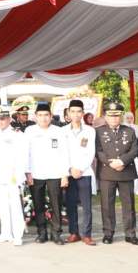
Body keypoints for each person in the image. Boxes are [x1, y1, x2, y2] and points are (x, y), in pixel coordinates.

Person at [95, 102, 138, 245]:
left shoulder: (129, 131)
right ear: (105, 117)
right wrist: (111, 163)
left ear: (121, 116)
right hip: (107, 173)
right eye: (111, 116)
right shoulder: (98, 131)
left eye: (117, 116)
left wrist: (122, 161)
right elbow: (98, 151)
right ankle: (108, 233)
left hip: (125, 172)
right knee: (107, 205)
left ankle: (130, 234)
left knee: (128, 205)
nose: (114, 119)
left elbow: (135, 150)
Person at [25, 102, 69, 245]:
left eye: (46, 115)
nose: (43, 118)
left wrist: (64, 174)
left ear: (51, 116)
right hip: (36, 174)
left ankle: (56, 233)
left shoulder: (58, 131)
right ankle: (41, 233)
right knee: (38, 205)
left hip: (55, 173)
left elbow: (64, 154)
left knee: (56, 205)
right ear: (35, 117)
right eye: (40, 115)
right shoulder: (30, 131)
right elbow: (26, 154)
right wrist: (28, 173)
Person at [0, 105, 29, 246]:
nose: (0, 121)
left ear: (8, 119)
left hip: (13, 175)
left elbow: (23, 157)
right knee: (3, 206)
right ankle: (5, 233)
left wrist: (19, 175)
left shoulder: (17, 134)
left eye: (3, 118)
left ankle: (17, 235)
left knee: (15, 206)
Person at [63, 99, 97, 246]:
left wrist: (80, 168)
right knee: (71, 204)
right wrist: (70, 169)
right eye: (73, 111)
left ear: (82, 113)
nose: (76, 114)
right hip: (69, 172)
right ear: (68, 113)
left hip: (85, 172)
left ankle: (87, 234)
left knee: (87, 205)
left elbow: (91, 152)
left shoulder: (90, 131)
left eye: (79, 111)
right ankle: (73, 233)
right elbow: (61, 153)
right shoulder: (62, 131)